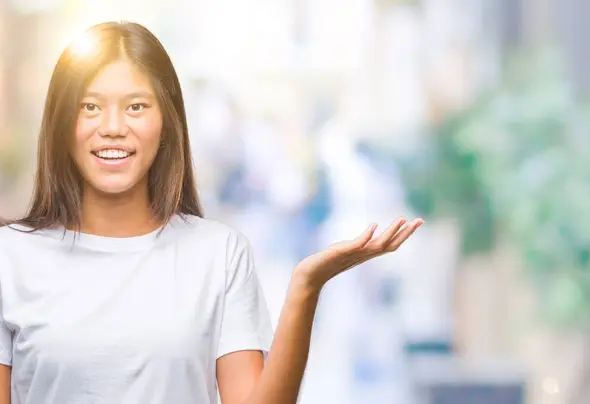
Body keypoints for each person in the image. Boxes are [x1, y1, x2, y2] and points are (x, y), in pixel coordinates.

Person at [0, 21, 423, 404]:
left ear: (166, 123)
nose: (112, 126)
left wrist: (305, 288)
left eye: (136, 107)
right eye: (89, 106)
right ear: (60, 123)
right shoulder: (10, 257)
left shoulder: (219, 254)